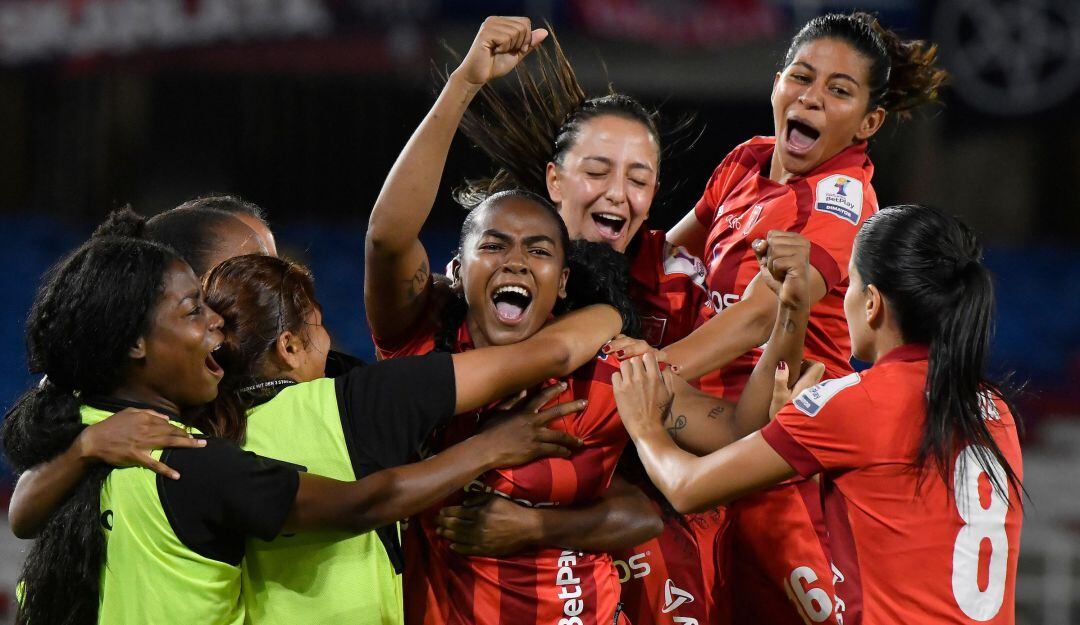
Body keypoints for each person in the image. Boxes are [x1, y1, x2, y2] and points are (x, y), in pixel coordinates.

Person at [1, 215, 612, 625]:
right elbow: (367, 503)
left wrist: (83, 446)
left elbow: (23, 513)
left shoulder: (77, 422)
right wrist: (618, 312)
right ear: (291, 343)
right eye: (196, 309)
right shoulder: (193, 459)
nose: (217, 322)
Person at [619, 13, 946, 622]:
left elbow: (752, 322)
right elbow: (667, 258)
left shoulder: (842, 201)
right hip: (692, 435)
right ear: (776, 85)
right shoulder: (745, 162)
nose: (812, 98)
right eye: (801, 77)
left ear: (868, 123)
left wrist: (639, 375)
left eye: (839, 91)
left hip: (773, 460)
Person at [364, 18, 666, 625]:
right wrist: (465, 81)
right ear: (454, 269)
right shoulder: (423, 344)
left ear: (559, 285)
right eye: (494, 246)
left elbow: (649, 509)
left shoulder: (609, 368)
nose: (517, 263)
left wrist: (532, 526)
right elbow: (388, 238)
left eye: (538, 252)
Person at [614, 204, 1023, 625]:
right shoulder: (995, 411)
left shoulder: (852, 403)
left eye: (849, 284)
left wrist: (646, 427)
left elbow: (686, 487)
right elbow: (891, 506)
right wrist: (792, 313)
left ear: (871, 304)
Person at [439, 32, 721, 625]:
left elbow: (709, 432)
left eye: (639, 179)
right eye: (598, 172)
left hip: (649, 554)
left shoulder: (674, 284)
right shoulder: (486, 285)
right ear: (555, 182)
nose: (619, 193)